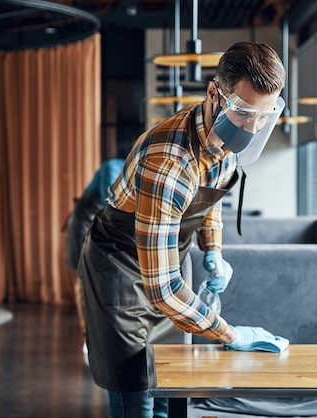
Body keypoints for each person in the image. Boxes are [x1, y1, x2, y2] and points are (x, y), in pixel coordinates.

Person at [78, 41, 288, 418]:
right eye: (244, 113)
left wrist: (213, 250)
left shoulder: (228, 137)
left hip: (164, 257)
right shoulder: (169, 164)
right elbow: (162, 289)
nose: (254, 128)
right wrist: (229, 333)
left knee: (170, 386)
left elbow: (211, 198)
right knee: (136, 393)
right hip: (120, 266)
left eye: (265, 116)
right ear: (214, 94)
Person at [64, 157, 125, 349]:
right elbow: (111, 203)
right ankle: (87, 337)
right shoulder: (113, 167)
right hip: (84, 222)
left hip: (103, 222)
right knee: (84, 278)